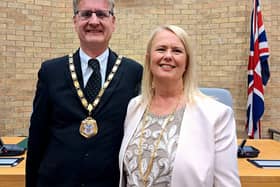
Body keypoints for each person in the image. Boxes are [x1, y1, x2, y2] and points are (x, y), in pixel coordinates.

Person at [26, 0, 142, 186]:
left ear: (113, 22)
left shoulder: (133, 73)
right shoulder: (51, 71)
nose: (94, 21)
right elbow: (38, 135)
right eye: (86, 14)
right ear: (75, 21)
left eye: (102, 14)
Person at [118, 25, 241, 187]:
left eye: (176, 51)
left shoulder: (216, 115)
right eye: (161, 49)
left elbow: (227, 184)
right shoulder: (134, 106)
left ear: (187, 62)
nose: (168, 56)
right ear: (148, 59)